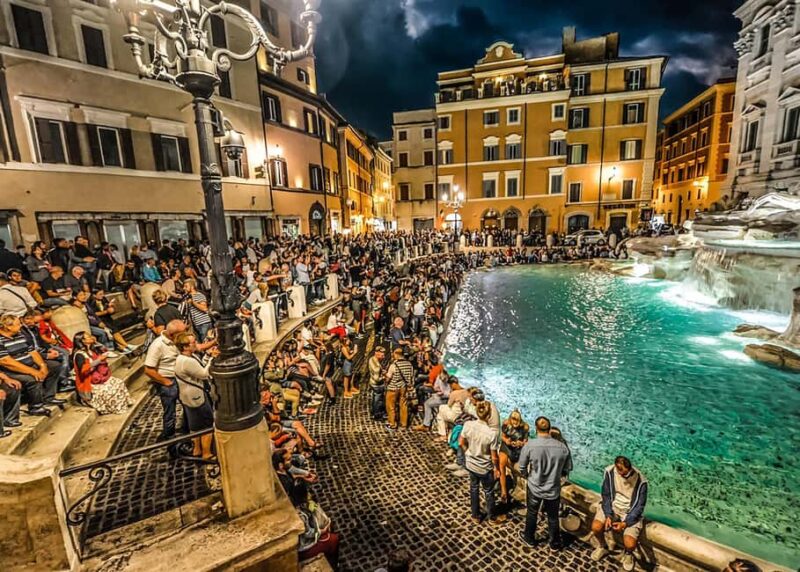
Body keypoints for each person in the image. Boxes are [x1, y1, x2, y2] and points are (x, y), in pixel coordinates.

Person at [517, 416, 571, 550]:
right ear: (549, 428)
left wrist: (527, 476)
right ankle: (554, 543)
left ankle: (529, 538)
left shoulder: (530, 445)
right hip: (553, 489)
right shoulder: (563, 448)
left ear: (536, 428)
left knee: (532, 513)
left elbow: (522, 467)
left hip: (534, 487)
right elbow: (567, 468)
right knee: (553, 518)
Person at [591, 456, 649, 571]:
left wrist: (625, 523)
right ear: (616, 468)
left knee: (630, 544)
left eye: (627, 474)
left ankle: (628, 554)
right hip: (613, 507)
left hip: (629, 512)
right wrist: (608, 515)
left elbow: (639, 507)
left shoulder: (641, 481)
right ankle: (603, 547)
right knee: (596, 527)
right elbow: (606, 495)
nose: (625, 477)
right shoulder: (609, 472)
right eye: (622, 474)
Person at [0, 313, 62, 416]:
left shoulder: (20, 335)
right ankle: (36, 407)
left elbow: (32, 352)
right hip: (11, 371)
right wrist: (33, 371)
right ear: (8, 327)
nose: (21, 326)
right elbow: (7, 362)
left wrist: (43, 366)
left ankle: (48, 397)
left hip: (29, 363)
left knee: (54, 366)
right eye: (18, 324)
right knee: (33, 378)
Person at [459, 400, 506, 525]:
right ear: (489, 414)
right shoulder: (491, 434)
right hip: (484, 467)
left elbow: (461, 443)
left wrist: (468, 451)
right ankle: (491, 517)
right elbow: (494, 456)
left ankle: (475, 515)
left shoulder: (468, 424)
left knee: (474, 488)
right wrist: (497, 469)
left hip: (470, 463)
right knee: (488, 491)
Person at [144, 319, 186, 453]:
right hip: (168, 382)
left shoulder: (177, 341)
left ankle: (187, 434)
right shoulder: (157, 345)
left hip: (180, 378)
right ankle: (171, 443)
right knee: (170, 414)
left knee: (188, 407)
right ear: (173, 335)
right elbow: (148, 369)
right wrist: (166, 382)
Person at [174, 331, 214, 459]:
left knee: (195, 426)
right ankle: (206, 453)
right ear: (185, 347)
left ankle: (197, 450)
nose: (196, 344)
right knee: (206, 425)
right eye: (193, 342)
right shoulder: (187, 361)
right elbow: (203, 374)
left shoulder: (183, 358)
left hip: (187, 397)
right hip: (196, 397)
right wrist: (212, 359)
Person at [72, 331, 132, 414]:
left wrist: (96, 342)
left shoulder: (92, 350)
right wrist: (98, 360)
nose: (91, 337)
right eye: (88, 337)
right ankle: (117, 408)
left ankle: (123, 404)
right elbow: (84, 371)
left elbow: (103, 349)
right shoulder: (79, 355)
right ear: (83, 341)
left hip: (99, 376)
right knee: (110, 390)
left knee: (118, 382)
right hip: (89, 382)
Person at [498, 410, 529, 503]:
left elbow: (526, 441)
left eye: (517, 420)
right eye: (513, 420)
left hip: (517, 449)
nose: (515, 422)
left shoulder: (525, 427)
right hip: (506, 447)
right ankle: (503, 491)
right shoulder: (506, 424)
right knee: (501, 464)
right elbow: (502, 436)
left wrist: (521, 443)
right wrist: (506, 440)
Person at [384, 348, 414, 430]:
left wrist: (385, 377)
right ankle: (403, 424)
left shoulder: (394, 365)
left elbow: (388, 378)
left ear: (396, 354)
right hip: (403, 387)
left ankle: (392, 423)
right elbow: (411, 377)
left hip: (393, 388)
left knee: (390, 406)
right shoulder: (409, 364)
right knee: (403, 405)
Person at [368, 346, 386, 420]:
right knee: (378, 400)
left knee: (374, 399)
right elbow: (377, 378)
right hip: (377, 385)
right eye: (382, 355)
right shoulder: (377, 367)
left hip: (372, 382)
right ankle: (377, 415)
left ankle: (373, 412)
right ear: (377, 353)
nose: (384, 356)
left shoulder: (372, 359)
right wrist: (384, 377)